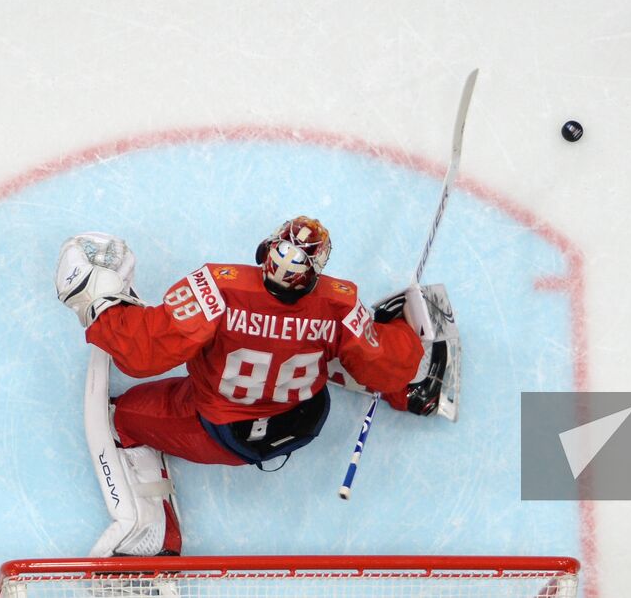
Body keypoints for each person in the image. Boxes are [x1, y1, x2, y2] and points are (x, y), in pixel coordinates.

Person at [53, 218, 452, 554]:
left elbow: (143, 354)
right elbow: (388, 367)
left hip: (225, 434)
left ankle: (153, 539)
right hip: (305, 420)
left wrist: (96, 304)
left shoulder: (218, 290)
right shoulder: (340, 303)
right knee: (350, 349)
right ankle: (413, 392)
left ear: (267, 252)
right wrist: (404, 340)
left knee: (123, 417)